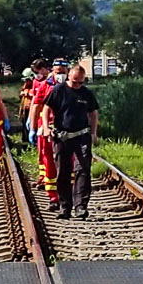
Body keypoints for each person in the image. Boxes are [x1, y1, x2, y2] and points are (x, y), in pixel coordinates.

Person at [41, 64, 99, 219]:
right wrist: (46, 128)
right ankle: (65, 207)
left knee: (83, 170)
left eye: (81, 82)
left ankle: (80, 207)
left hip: (82, 136)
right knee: (63, 171)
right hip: (62, 136)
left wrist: (94, 133)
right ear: (69, 77)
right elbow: (46, 109)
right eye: (75, 81)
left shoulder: (86, 93)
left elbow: (93, 113)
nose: (77, 85)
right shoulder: (59, 90)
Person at [30, 59, 68, 210]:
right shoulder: (45, 86)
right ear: (53, 71)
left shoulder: (74, 86)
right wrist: (33, 128)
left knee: (67, 162)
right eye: (58, 72)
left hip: (67, 130)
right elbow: (36, 106)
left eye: (63, 72)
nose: (61, 75)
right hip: (47, 129)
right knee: (49, 161)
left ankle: (66, 194)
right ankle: (53, 197)